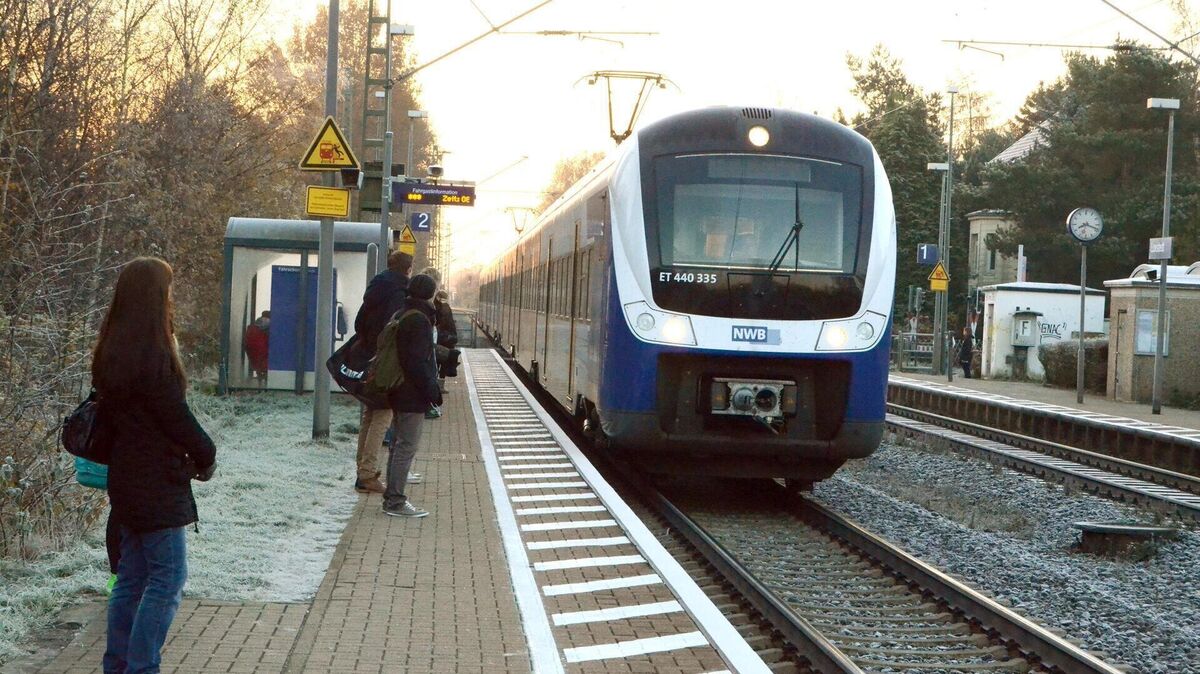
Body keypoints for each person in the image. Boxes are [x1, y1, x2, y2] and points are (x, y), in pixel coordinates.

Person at [93, 257, 216, 674]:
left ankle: (118, 664)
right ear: (155, 297)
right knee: (168, 580)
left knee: (131, 578)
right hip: (157, 482)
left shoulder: (110, 349)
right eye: (168, 289)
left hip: (125, 478)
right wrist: (206, 452)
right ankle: (142, 667)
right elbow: (175, 416)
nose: (172, 297)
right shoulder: (155, 355)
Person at [351, 250, 413, 494]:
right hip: (384, 362)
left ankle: (362, 471)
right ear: (407, 270)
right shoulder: (399, 293)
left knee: (370, 413)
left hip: (369, 357)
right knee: (383, 415)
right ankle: (367, 474)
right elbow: (395, 329)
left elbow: (358, 322)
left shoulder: (376, 287)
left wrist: (368, 344)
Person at [383, 273, 443, 518]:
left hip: (398, 388)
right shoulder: (419, 319)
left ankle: (393, 497)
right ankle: (395, 501)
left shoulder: (402, 313)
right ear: (430, 293)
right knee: (406, 446)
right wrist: (432, 390)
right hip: (410, 392)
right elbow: (416, 361)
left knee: (398, 445)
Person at [433, 290, 457, 394]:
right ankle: (441, 386)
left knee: (435, 361)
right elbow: (451, 324)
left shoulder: (433, 307)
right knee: (444, 362)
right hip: (446, 339)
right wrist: (454, 336)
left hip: (436, 338)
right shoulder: (446, 308)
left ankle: (434, 384)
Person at [243, 310, 270, 387]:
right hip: (264, 355)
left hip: (253, 355)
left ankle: (260, 382)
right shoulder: (269, 327)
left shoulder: (252, 328)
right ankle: (264, 384)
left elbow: (247, 343)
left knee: (260, 368)